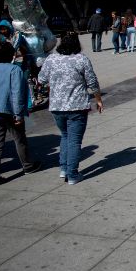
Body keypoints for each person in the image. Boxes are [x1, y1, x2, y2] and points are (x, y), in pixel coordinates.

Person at [38, 33, 103, 184]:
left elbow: (41, 79)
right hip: (77, 106)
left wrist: (55, 83)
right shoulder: (81, 59)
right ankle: (72, 174)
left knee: (65, 136)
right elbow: (92, 82)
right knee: (74, 140)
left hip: (57, 106)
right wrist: (99, 100)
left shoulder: (52, 59)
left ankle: (64, 169)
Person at [0, 40, 42, 187]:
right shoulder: (14, 70)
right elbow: (17, 93)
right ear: (12, 55)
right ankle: (27, 165)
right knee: (19, 139)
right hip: (9, 110)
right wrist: (18, 114)